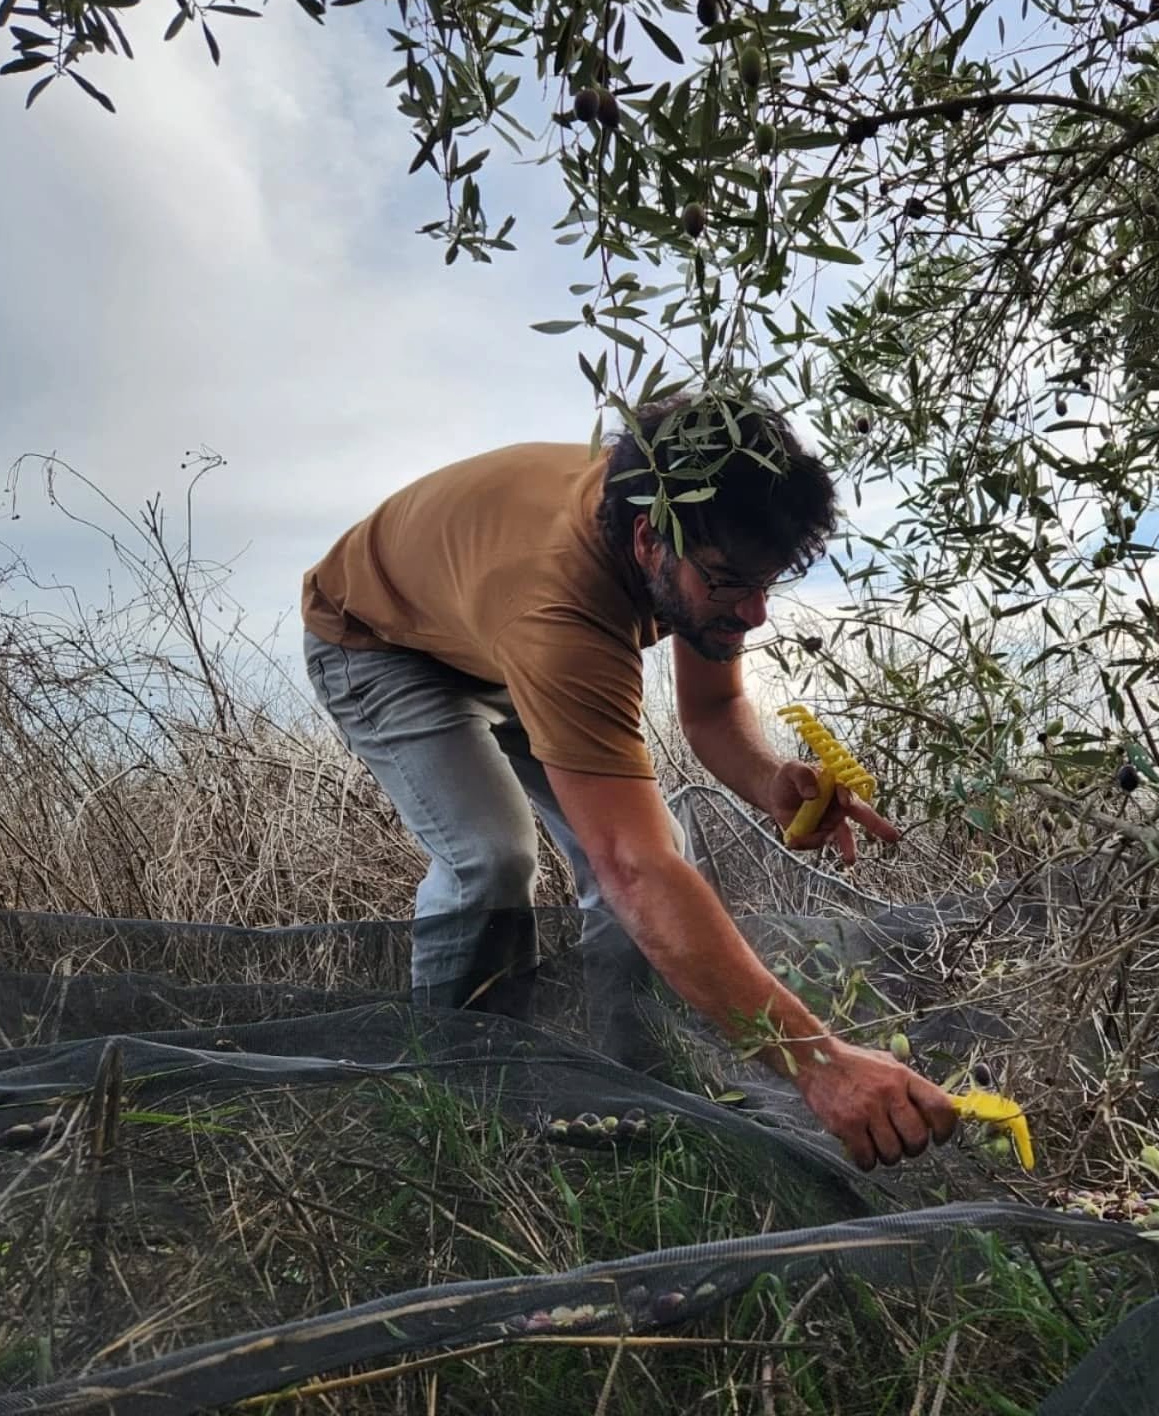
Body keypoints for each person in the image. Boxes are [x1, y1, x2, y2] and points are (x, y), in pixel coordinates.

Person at [302, 391, 956, 1171]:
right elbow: (633, 871)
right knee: (493, 857)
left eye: (768, 582)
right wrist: (821, 1065)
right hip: (378, 639)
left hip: (491, 629)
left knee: (660, 844)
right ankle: (456, 1115)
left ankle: (634, 1095)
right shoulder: (560, 609)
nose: (755, 613)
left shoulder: (696, 531)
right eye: (731, 585)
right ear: (649, 542)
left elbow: (713, 710)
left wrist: (769, 778)